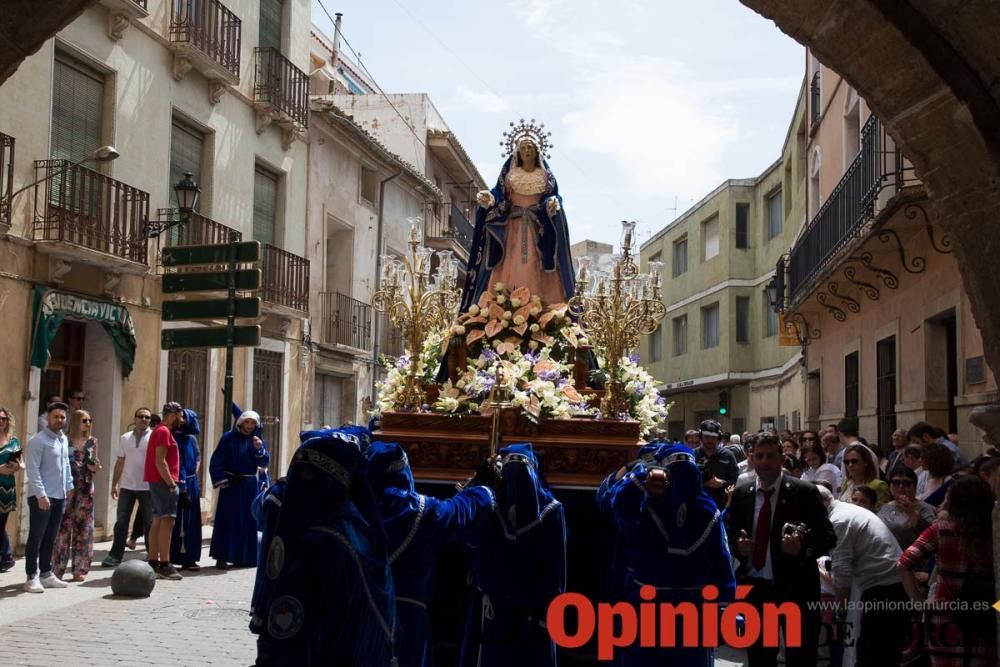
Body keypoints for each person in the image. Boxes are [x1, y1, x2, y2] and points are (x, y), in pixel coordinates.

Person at [253, 432, 397, 666]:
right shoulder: (360, 527)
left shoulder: (317, 545)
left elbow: (292, 632)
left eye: (308, 475)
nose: (296, 486)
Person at [366, 441, 498, 667]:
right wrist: (482, 486)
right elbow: (463, 510)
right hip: (407, 623)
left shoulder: (349, 510)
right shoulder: (421, 513)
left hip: (361, 616)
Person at [609, 443, 736, 666]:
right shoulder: (708, 511)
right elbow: (722, 564)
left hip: (647, 605)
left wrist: (638, 475)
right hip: (692, 609)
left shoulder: (645, 506)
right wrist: (724, 606)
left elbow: (613, 503)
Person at [726, 433, 837, 667]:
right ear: (752, 459)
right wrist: (738, 546)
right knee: (760, 657)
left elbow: (827, 537)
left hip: (795, 590)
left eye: (770, 456)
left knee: (799, 656)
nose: (765, 462)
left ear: (781, 459)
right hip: (757, 590)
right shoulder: (742, 494)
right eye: (759, 456)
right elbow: (730, 532)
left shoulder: (803, 492)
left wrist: (802, 549)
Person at [459, 443, 566, 667]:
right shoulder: (493, 505)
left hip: (526, 612)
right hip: (496, 609)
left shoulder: (549, 511)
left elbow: (471, 546)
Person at [459, 123, 575, 311]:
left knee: (535, 268)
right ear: (517, 152)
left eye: (530, 147)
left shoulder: (545, 176)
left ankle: (541, 313)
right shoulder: (510, 175)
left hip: (539, 231)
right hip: (511, 230)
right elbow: (499, 196)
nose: (527, 151)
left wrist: (552, 203)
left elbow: (553, 196)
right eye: (523, 148)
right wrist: (489, 199)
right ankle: (504, 311)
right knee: (509, 268)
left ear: (537, 151)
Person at [898, 475, 997, 667]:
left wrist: (918, 602)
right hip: (990, 614)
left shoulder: (940, 531)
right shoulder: (995, 532)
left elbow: (903, 563)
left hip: (944, 618)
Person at [814, 483, 909, 667]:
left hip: (883, 591)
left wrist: (840, 612)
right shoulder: (845, 512)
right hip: (885, 587)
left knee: (872, 654)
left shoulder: (839, 520)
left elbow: (842, 570)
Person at [210, 409, 269, 569]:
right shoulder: (228, 438)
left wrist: (259, 448)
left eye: (253, 423)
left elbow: (264, 463)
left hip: (249, 486)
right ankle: (222, 556)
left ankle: (244, 557)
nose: (249, 426)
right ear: (241, 423)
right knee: (227, 520)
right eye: (247, 422)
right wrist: (222, 479)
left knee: (248, 520)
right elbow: (216, 460)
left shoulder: (257, 440)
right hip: (231, 485)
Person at [23, 401, 72, 593]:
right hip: (41, 498)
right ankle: (31, 576)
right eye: (56, 417)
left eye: (62, 417)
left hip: (59, 496)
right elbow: (33, 470)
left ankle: (46, 573)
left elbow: (66, 465)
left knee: (50, 537)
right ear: (47, 418)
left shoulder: (63, 439)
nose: (59, 420)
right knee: (36, 537)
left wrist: (69, 486)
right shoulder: (38, 441)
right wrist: (41, 495)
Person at [52, 410, 101, 581]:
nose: (87, 423)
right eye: (84, 420)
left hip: (86, 489)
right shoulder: (64, 440)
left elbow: (94, 464)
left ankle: (80, 569)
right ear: (75, 422)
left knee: (84, 530)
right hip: (67, 489)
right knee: (63, 529)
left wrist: (95, 467)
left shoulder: (92, 442)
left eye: (89, 420)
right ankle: (57, 569)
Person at [103, 407, 153, 567]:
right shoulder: (125, 438)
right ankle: (115, 555)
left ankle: (152, 555)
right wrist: (114, 484)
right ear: (135, 418)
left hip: (148, 486)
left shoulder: (154, 437)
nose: (144, 419)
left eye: (147, 417)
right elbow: (120, 461)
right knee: (122, 521)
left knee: (150, 522)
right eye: (141, 416)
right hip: (127, 486)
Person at [144, 402, 184, 581]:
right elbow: (161, 461)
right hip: (163, 482)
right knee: (167, 521)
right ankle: (164, 563)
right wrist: (170, 483)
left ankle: (154, 561)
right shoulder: (163, 431)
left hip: (156, 481)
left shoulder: (159, 430)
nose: (181, 419)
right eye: (180, 415)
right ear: (174, 414)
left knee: (158, 520)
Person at [170, 408, 202, 571]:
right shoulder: (173, 437)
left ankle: (189, 557)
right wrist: (181, 485)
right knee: (176, 522)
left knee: (191, 521)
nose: (181, 420)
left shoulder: (191, 439)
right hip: (176, 483)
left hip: (191, 483)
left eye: (184, 417)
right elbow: (177, 462)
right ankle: (172, 556)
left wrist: (192, 477)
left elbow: (197, 457)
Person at [878, 465, 936, 550]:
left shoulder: (924, 508)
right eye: (896, 482)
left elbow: (931, 537)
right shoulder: (885, 507)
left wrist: (912, 513)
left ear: (915, 487)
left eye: (906, 483)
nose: (901, 486)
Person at [693, 418, 739, 509]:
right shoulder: (692, 455)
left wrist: (722, 483)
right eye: (707, 436)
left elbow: (736, 481)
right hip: (697, 506)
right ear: (701, 436)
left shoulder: (728, 455)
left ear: (718, 438)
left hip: (721, 506)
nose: (710, 440)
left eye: (713, 437)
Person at [0, 407, 24, 572]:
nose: (1, 421)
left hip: (6, 489)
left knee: (1, 524)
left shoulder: (13, 440)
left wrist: (17, 466)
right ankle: (7, 557)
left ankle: (6, 558)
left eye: (3, 418)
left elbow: (22, 463)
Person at [839, 443, 890, 509]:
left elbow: (881, 513)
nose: (850, 465)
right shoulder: (846, 482)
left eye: (854, 461)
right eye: (847, 462)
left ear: (865, 462)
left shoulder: (879, 486)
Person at [918, 440, 955, 507]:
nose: (919, 460)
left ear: (932, 460)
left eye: (922, 458)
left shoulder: (949, 482)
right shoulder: (926, 475)